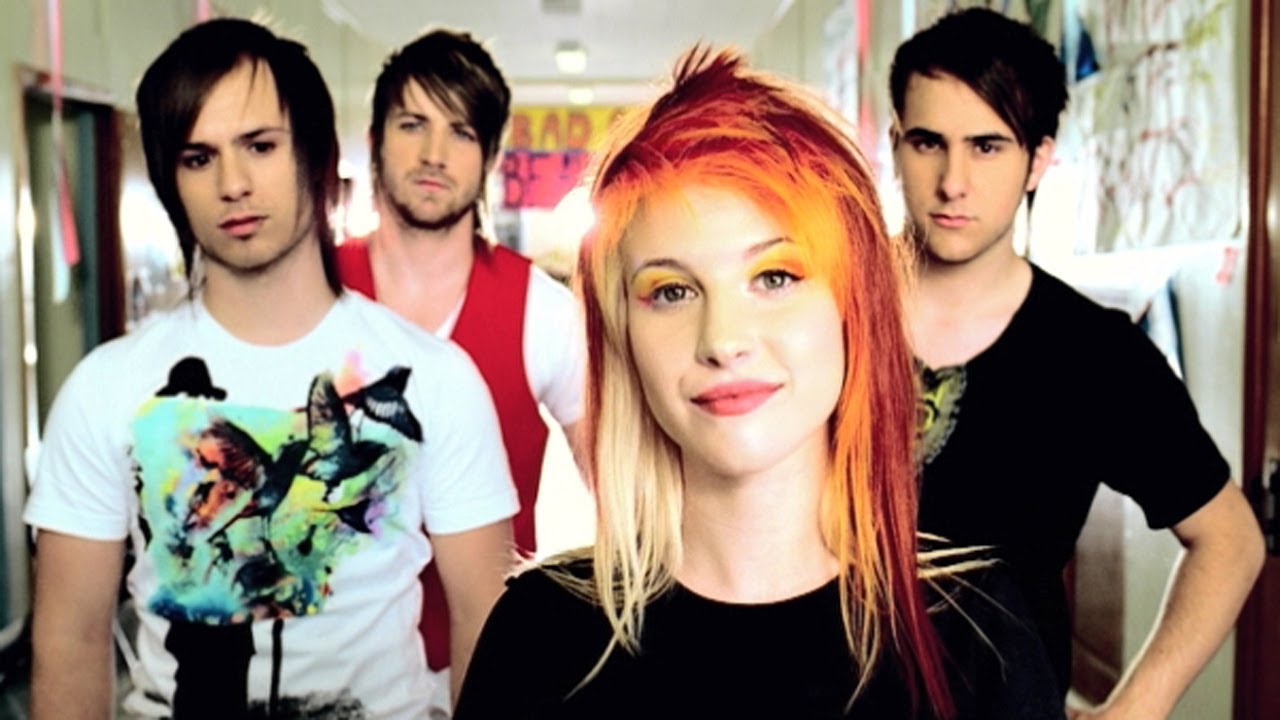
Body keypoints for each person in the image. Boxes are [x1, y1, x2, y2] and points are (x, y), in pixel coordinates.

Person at [453, 48, 1065, 719]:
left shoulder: (981, 638)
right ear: (623, 340)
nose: (723, 340)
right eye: (672, 290)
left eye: (775, 277)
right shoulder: (536, 637)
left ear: (853, 307)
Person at [24, 18, 516, 719]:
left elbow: (486, 623)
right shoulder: (105, 389)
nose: (233, 183)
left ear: (313, 154)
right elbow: (71, 642)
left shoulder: (436, 378)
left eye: (260, 146)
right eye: (198, 158)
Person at [891, 8, 1265, 719]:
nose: (953, 181)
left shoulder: (1093, 354)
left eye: (987, 147)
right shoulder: (822, 312)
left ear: (1038, 159)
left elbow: (1230, 539)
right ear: (896, 144)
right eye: (928, 142)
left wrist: (1137, 706)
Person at [336, 28, 587, 697]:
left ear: (491, 156)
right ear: (375, 140)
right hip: (335, 673)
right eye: (412, 124)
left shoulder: (542, 309)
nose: (433, 154)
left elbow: (624, 488)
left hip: (495, 664)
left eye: (461, 132)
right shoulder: (310, 292)